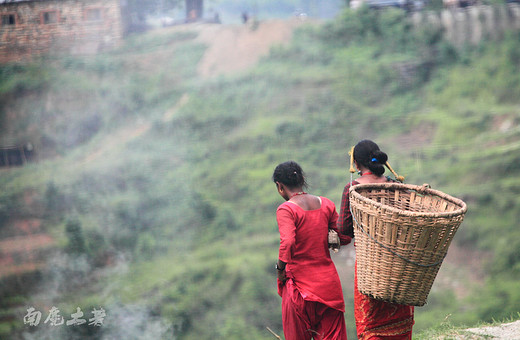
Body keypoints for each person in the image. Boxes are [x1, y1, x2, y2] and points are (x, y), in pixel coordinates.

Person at [337, 140, 414, 340]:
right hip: (398, 264)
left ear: (355, 163)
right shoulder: (396, 186)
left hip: (369, 265)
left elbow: (345, 229)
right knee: (398, 322)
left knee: (371, 324)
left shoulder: (353, 188)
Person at [273, 161, 348, 340]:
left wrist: (280, 270)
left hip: (299, 289)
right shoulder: (326, 205)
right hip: (329, 288)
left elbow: (288, 242)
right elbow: (344, 237)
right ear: (303, 179)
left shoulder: (286, 209)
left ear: (280, 187)